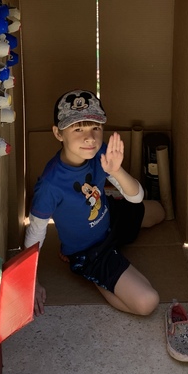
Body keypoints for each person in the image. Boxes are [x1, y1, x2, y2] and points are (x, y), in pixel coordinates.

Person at [24, 89, 165, 317]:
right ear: (58, 134)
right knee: (148, 302)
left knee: (158, 211)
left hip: (110, 217)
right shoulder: (50, 185)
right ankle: (93, 275)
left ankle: (109, 264)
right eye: (78, 128)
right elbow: (35, 234)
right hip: (90, 250)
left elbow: (136, 197)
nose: (89, 137)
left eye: (95, 128)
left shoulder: (100, 152)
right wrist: (30, 282)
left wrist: (116, 171)